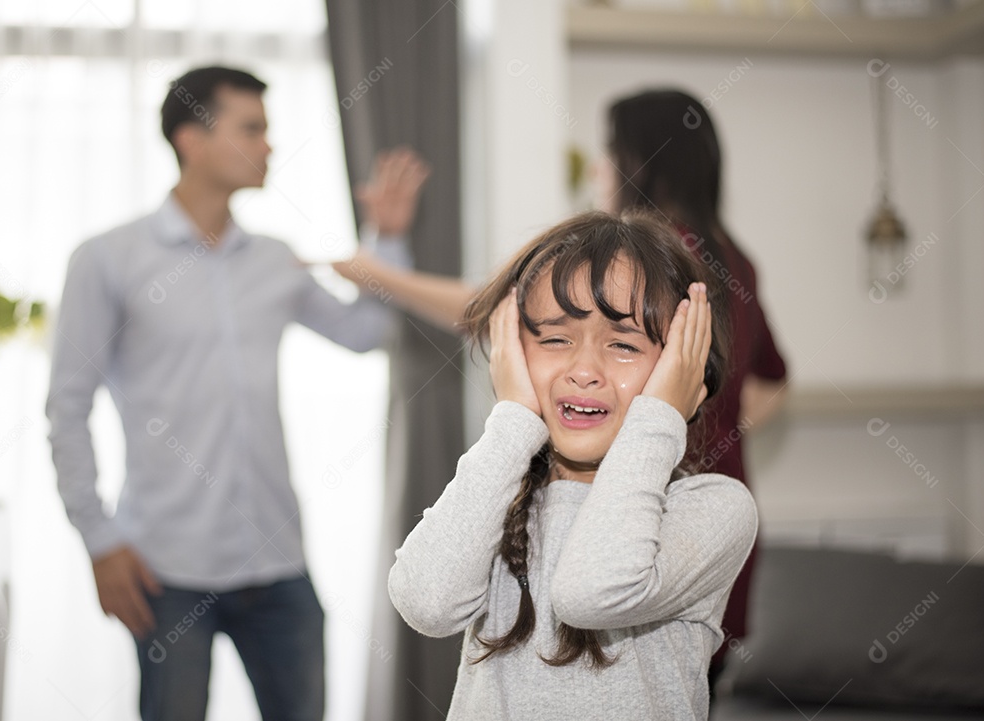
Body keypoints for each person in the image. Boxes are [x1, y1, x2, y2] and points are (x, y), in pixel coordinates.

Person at [45, 65, 423, 721]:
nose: (269, 146)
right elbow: (66, 408)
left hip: (278, 565)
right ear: (191, 137)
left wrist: (386, 238)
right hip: (165, 567)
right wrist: (100, 539)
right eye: (252, 129)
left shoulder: (274, 258)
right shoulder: (108, 258)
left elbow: (366, 332)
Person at [387, 211, 757, 720]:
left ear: (683, 373)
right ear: (512, 353)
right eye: (555, 339)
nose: (584, 371)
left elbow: (593, 592)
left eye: (624, 345)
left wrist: (661, 415)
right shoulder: (495, 495)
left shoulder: (712, 508)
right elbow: (426, 601)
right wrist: (513, 420)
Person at [602, 89, 787, 678]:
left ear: (639, 163)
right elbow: (773, 382)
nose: (603, 170)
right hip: (722, 527)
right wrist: (713, 425)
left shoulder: (647, 258)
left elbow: (507, 305)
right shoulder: (737, 259)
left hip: (655, 531)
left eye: (610, 154)